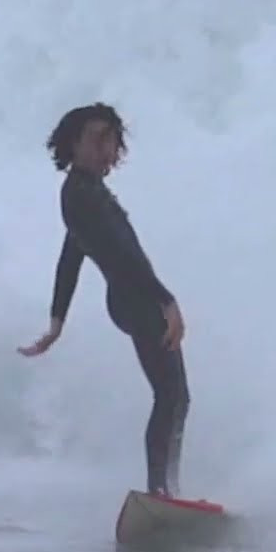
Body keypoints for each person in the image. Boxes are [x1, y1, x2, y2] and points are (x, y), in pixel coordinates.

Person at [17, 102, 190, 499]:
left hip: (132, 299)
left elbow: (71, 254)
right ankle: (162, 491)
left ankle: (166, 489)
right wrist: (165, 300)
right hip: (137, 300)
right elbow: (120, 253)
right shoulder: (82, 194)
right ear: (74, 144)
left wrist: (57, 320)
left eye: (111, 141)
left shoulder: (85, 192)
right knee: (172, 396)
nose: (105, 148)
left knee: (174, 396)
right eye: (96, 139)